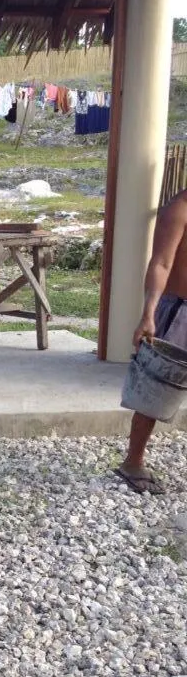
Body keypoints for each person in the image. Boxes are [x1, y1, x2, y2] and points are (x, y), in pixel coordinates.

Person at [116, 189, 187, 494]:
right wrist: (149, 312)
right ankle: (133, 461)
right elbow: (160, 263)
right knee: (157, 388)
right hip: (179, 310)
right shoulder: (179, 209)